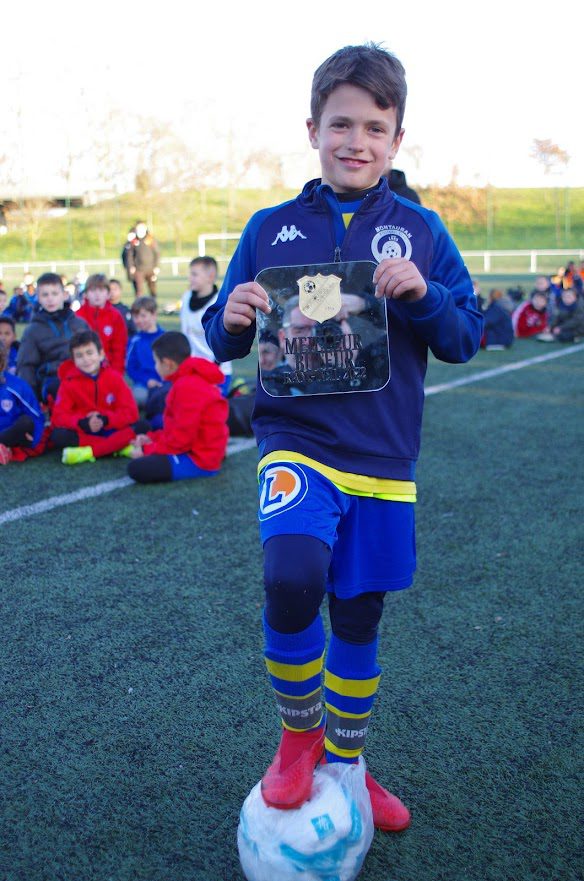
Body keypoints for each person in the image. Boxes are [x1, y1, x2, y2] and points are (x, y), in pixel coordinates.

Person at [203, 43, 483, 832]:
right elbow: (221, 332)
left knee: (359, 613)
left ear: (397, 140)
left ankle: (348, 762)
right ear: (312, 130)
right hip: (296, 440)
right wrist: (230, 318)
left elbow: (465, 336)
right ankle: (299, 737)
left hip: (384, 455)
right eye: (340, 124)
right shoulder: (269, 228)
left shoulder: (422, 231)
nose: (356, 141)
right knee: (292, 576)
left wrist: (424, 296)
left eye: (374, 127)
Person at [127, 331, 228, 484]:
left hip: (201, 460)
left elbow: (181, 440)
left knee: (137, 468)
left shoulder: (186, 386)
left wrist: (148, 449)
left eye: (156, 362)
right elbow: (175, 428)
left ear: (168, 364)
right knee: (145, 429)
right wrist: (151, 438)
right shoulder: (187, 378)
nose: (155, 367)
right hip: (204, 448)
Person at [50, 330, 149, 465]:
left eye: (89, 353)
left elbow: (131, 413)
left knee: (143, 425)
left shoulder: (114, 378)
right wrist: (82, 422)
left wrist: (105, 419)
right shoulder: (68, 382)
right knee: (58, 435)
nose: (86, 359)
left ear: (101, 354)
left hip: (111, 428)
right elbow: (58, 416)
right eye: (79, 356)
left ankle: (88, 452)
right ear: (74, 361)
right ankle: (119, 447)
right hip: (85, 432)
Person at [16, 272, 89, 402]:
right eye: (45, 295)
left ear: (64, 295)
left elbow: (95, 353)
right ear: (38, 297)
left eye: (55, 294)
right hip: (52, 381)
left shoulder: (79, 324)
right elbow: (26, 367)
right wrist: (33, 399)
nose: (50, 299)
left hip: (82, 375)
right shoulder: (32, 331)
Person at [180, 256, 232, 395]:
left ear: (210, 277)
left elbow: (224, 344)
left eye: (194, 274)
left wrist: (211, 374)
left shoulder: (220, 303)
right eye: (190, 274)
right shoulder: (186, 297)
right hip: (192, 370)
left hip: (217, 372)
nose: (190, 278)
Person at [0, 341, 45, 465]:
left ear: (2, 363)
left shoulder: (16, 386)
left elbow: (36, 415)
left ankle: (4, 446)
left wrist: (34, 440)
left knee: (26, 422)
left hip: (11, 433)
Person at [76, 273, 128, 374]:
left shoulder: (115, 316)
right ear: (86, 294)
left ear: (108, 294)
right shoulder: (78, 316)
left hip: (109, 369)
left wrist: (116, 372)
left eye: (101, 290)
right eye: (93, 291)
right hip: (83, 369)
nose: (97, 295)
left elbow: (119, 348)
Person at [125, 296, 165, 406]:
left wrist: (164, 381)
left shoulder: (165, 337)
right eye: (136, 317)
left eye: (143, 316)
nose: (139, 320)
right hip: (143, 384)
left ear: (154, 315)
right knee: (138, 396)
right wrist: (147, 380)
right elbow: (131, 368)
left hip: (165, 382)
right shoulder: (135, 341)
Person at [125, 221, 160, 296]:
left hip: (150, 269)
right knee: (139, 290)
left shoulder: (150, 240)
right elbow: (130, 255)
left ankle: (153, 302)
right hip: (139, 269)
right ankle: (139, 302)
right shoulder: (134, 241)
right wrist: (131, 266)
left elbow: (157, 253)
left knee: (152, 289)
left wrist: (156, 266)